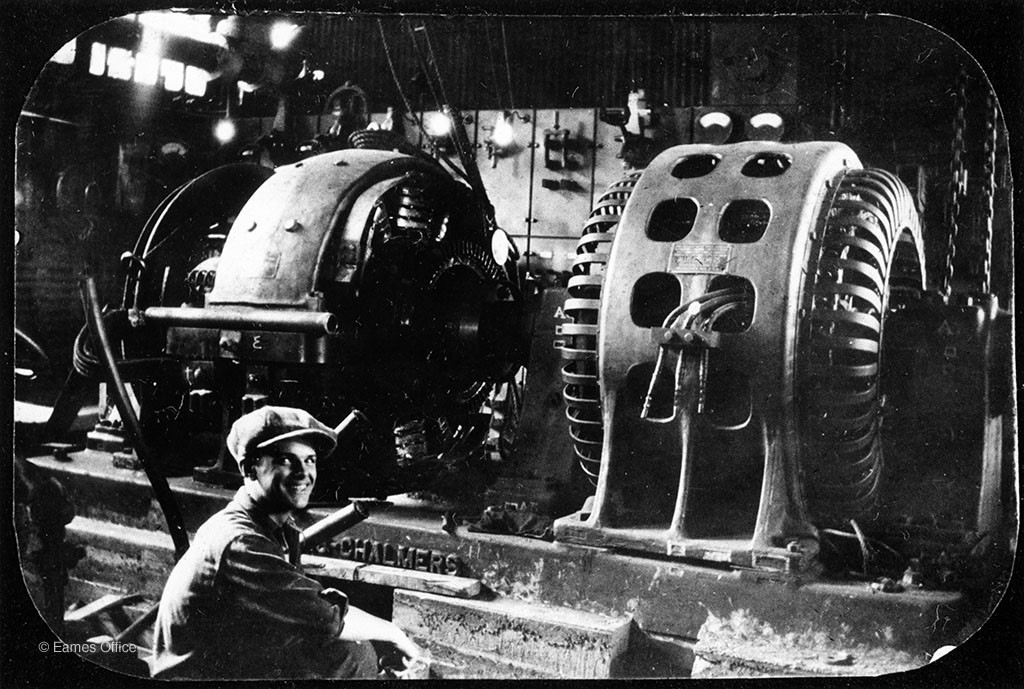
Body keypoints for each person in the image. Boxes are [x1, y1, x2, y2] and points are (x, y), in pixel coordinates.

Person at [149, 406, 422, 679]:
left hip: (230, 663)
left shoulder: (275, 529)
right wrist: (394, 633)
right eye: (286, 460)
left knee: (351, 653)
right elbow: (324, 618)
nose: (304, 472)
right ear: (249, 468)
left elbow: (311, 608)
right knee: (351, 659)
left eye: (310, 460)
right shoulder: (241, 541)